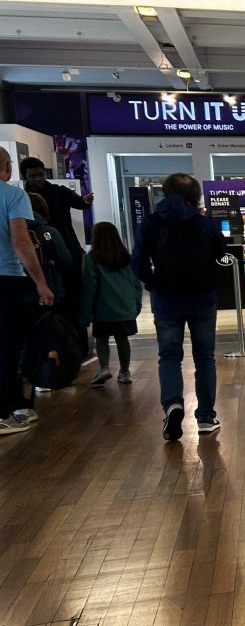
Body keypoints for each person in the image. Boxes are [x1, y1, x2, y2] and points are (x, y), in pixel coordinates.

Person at [132, 173, 228, 441]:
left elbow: (137, 264)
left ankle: (173, 404)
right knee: (205, 358)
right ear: (195, 195)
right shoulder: (205, 224)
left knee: (170, 356)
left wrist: (155, 285)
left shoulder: (150, 224)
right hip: (202, 299)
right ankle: (206, 416)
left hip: (167, 301)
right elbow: (222, 257)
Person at [0, 148, 55, 436]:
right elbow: (20, 241)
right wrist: (41, 282)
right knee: (8, 345)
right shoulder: (12, 195)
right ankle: (7, 410)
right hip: (6, 277)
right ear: (7, 168)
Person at [20, 156, 91, 329]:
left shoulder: (57, 192)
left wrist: (85, 201)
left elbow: (80, 203)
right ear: (25, 177)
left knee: (69, 299)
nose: (37, 179)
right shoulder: (20, 197)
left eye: (40, 174)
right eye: (32, 176)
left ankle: (71, 340)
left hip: (62, 250)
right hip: (38, 254)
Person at [80, 221, 142, 387]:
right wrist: (136, 305)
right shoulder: (126, 258)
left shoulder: (93, 259)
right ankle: (125, 372)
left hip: (103, 310)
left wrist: (85, 316)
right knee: (122, 339)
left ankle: (104, 367)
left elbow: (89, 288)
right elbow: (136, 284)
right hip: (125, 309)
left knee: (101, 339)